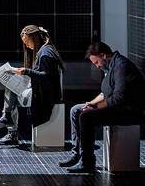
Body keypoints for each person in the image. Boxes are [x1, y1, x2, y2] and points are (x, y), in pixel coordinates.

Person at [61, 40, 145, 173]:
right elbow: (104, 93)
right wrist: (91, 103)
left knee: (86, 116)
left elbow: (118, 98)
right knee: (76, 110)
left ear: (103, 55)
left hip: (128, 111)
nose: (97, 66)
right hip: (115, 106)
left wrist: (96, 108)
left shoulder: (121, 67)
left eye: (96, 62)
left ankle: (87, 162)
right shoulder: (109, 67)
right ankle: (77, 154)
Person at [0, 25, 64, 146]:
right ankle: (7, 117)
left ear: (35, 38)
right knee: (11, 88)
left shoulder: (45, 53)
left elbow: (46, 76)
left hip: (45, 95)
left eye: (27, 42)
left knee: (11, 91)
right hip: (41, 90)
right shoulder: (44, 50)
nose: (27, 45)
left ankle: (8, 121)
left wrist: (26, 71)